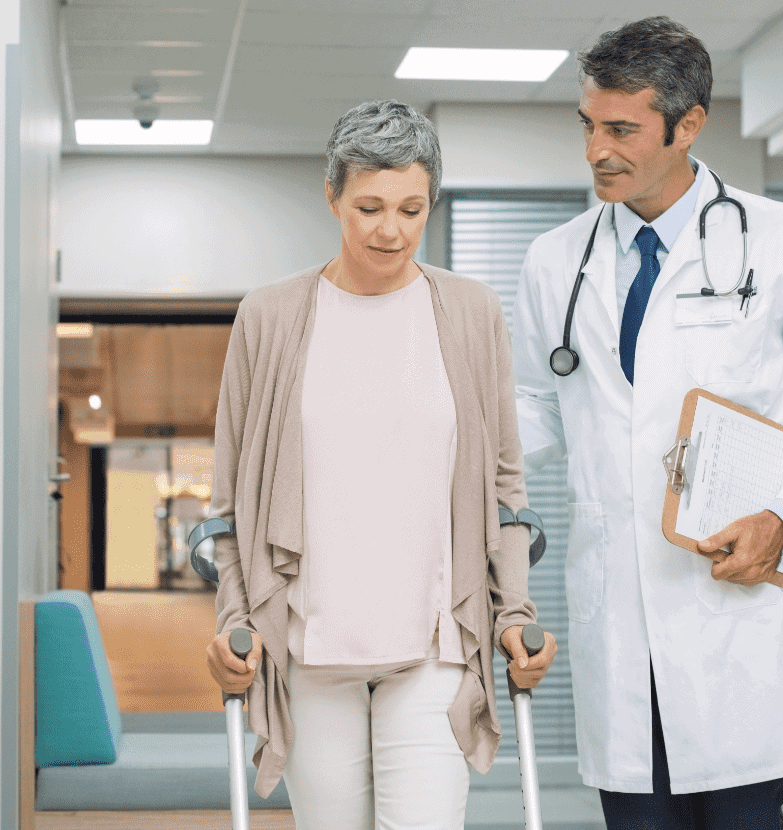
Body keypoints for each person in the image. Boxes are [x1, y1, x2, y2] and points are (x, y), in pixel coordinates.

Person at [513, 17, 783, 830]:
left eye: (622, 129)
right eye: (588, 125)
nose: (596, 150)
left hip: (732, 610)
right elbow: (536, 409)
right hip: (618, 615)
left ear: (688, 125)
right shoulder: (557, 259)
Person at [204, 99, 557, 830]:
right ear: (332, 194)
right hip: (307, 643)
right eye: (368, 206)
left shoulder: (470, 311)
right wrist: (235, 618)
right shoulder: (268, 317)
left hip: (434, 641)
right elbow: (230, 499)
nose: (390, 229)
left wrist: (513, 609)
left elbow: (504, 484)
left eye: (411, 207)